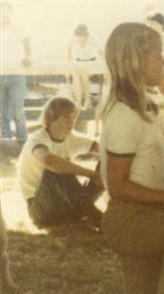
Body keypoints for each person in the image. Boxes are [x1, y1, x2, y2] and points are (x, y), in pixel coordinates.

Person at [1, 23, 164, 294]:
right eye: (158, 55)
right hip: (131, 221)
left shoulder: (142, 106)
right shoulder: (123, 114)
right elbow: (117, 187)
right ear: (136, 60)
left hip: (144, 218)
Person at [17, 96, 103, 230]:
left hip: (67, 205)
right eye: (66, 118)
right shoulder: (37, 139)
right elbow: (49, 160)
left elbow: (105, 150)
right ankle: (94, 215)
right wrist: (91, 174)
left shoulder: (72, 138)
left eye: (73, 118)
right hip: (41, 209)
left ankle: (95, 211)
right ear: (52, 118)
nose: (72, 122)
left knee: (108, 162)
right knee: (56, 168)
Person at [0, 2, 32, 141]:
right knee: (2, 113)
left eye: (6, 12)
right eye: (1, 12)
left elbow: (27, 45)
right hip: (0, 74)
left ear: (10, 13)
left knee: (18, 111)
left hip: (16, 74)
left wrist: (28, 57)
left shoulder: (19, 28)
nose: (4, 15)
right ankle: (5, 143)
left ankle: (22, 141)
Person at [67, 23, 102, 111]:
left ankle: (88, 101)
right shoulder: (72, 39)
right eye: (78, 36)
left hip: (91, 62)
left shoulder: (93, 38)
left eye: (82, 36)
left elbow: (101, 51)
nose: (80, 39)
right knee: (76, 76)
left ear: (86, 35)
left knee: (83, 74)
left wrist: (106, 64)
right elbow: (69, 54)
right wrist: (68, 69)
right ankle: (79, 101)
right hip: (79, 62)